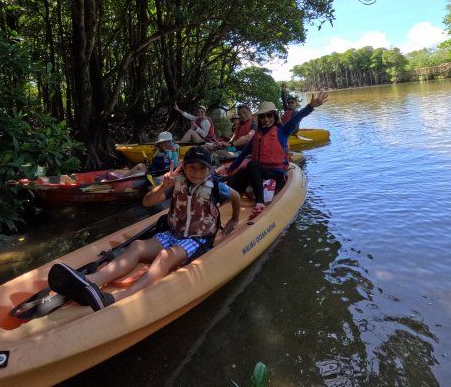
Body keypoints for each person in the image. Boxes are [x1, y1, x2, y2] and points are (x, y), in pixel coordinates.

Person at [47, 146, 241, 311]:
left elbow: (236, 196)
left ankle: (116, 299)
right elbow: (147, 202)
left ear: (209, 169)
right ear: (184, 166)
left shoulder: (215, 186)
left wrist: (234, 218)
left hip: (197, 239)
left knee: (166, 257)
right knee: (138, 246)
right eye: (191, 167)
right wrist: (162, 187)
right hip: (173, 233)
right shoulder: (175, 182)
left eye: (202, 168)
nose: (196, 173)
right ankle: (91, 281)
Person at [224, 92, 329, 217]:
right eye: (263, 116)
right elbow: (244, 154)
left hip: (276, 174)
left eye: (269, 115)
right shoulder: (257, 135)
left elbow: (297, 118)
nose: (266, 119)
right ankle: (226, 199)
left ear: (274, 116)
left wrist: (311, 106)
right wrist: (231, 169)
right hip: (259, 171)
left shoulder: (282, 131)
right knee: (235, 180)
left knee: (251, 165)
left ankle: (260, 203)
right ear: (260, 118)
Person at [112, 131, 179, 179]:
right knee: (140, 165)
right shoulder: (159, 150)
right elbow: (155, 161)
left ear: (169, 142)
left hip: (157, 173)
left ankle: (123, 178)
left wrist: (173, 152)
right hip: (152, 170)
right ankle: (123, 177)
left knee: (140, 172)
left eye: (164, 142)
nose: (161, 144)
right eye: (160, 143)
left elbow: (174, 165)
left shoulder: (171, 152)